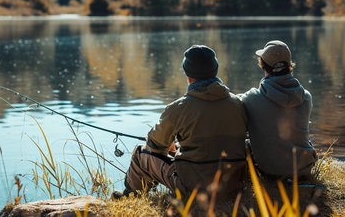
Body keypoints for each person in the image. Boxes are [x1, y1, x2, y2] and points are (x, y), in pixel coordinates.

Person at [113, 45, 247, 200]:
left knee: (140, 154)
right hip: (233, 184)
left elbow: (154, 146)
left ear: (188, 76)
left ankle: (129, 197)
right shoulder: (238, 103)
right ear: (215, 70)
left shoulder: (178, 108)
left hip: (194, 188)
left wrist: (168, 144)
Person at [240, 40, 317, 179]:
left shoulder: (251, 99)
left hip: (270, 171)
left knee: (245, 140)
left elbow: (233, 103)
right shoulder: (306, 97)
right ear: (289, 66)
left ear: (263, 66)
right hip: (303, 168)